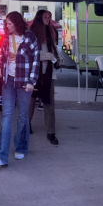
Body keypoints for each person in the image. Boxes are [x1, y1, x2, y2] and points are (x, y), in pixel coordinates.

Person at [0, 11, 40, 165]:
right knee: (7, 116)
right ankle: (1, 155)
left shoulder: (30, 38)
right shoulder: (6, 37)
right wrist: (0, 66)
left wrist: (32, 81)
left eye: (10, 23)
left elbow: (36, 61)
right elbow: (2, 54)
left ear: (17, 23)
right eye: (6, 23)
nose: (7, 26)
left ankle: (21, 146)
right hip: (8, 81)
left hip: (24, 82)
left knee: (23, 116)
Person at [27, 10, 61, 145]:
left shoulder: (52, 31)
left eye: (49, 16)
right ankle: (26, 125)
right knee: (31, 102)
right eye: (45, 16)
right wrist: (50, 56)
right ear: (40, 18)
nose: (48, 19)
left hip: (49, 73)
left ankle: (51, 132)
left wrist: (59, 58)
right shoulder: (32, 33)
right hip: (35, 73)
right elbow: (32, 55)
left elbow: (55, 50)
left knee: (49, 103)